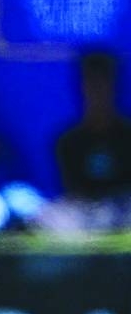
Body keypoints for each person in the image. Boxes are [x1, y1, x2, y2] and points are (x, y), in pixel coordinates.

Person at [55, 50, 131, 202]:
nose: (98, 91)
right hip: (83, 212)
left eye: (103, 82)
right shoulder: (68, 140)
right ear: (82, 87)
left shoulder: (127, 135)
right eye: (92, 83)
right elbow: (71, 190)